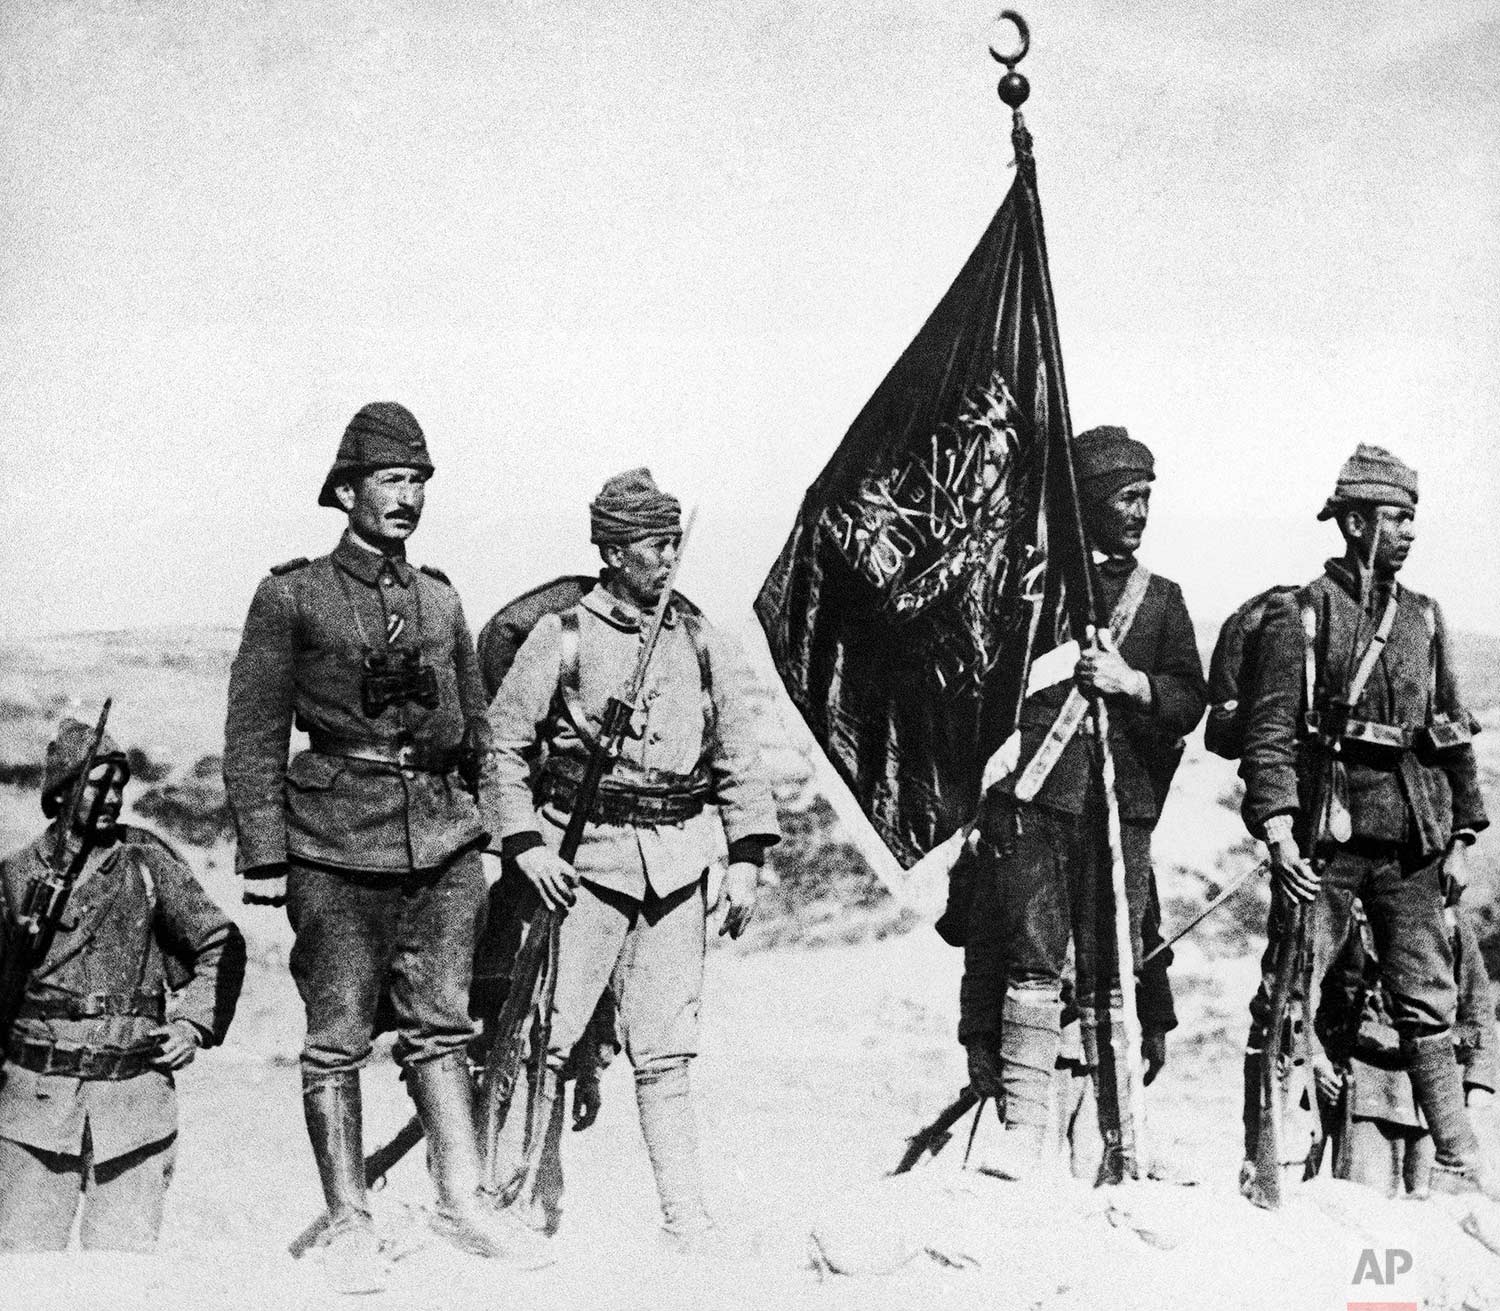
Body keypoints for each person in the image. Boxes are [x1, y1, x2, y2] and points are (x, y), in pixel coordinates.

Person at [223, 401, 548, 1292]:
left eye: (419, 482)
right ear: (346, 490)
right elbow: (254, 731)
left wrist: (494, 834)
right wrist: (265, 855)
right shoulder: (292, 595)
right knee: (336, 1039)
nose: (408, 498)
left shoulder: (440, 597)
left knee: (444, 1027)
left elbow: (478, 729)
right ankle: (350, 1220)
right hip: (331, 845)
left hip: (442, 847)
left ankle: (464, 1200)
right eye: (392, 480)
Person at [487, 467, 780, 1249]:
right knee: (550, 1036)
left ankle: (686, 1217)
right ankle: (524, 1199)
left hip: (680, 865)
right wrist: (526, 845)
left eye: (675, 541)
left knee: (666, 1049)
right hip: (581, 865)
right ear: (614, 551)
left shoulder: (699, 638)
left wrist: (745, 855)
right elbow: (503, 750)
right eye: (656, 544)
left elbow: (736, 755)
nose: (671, 557)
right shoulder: (563, 637)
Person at [1238, 443, 1489, 1197]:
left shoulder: (1426, 618)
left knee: (1427, 997)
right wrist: (1278, 829)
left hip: (1410, 840)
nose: (1409, 532)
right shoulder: (1303, 614)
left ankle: (1459, 1161)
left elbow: (1450, 731)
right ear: (1353, 522)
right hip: (1327, 836)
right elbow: (1270, 734)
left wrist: (1463, 834)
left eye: (1414, 518)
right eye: (1395, 518)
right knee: (1290, 989)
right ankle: (1266, 1157)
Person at [967, 425, 1207, 1183]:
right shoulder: (1035, 593)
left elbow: (1189, 696)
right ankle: (1020, 1140)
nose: (1139, 512)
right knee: (1032, 960)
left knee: (1112, 969)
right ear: (1090, 505)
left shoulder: (1162, 601)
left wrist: (1134, 684)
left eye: (1146, 498)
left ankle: (1117, 1140)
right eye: (1126, 499)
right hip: (1038, 800)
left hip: (1117, 807)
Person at [0, 718, 244, 1251]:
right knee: (23, 1273)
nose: (113, 796)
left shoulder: (147, 862)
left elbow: (220, 942)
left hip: (133, 1108)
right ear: (61, 791)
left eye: (119, 784)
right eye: (96, 783)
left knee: (123, 1276)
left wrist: (193, 1024)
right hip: (32, 1110)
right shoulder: (14, 876)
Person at [1316, 889, 1497, 1198]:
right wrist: (1316, 1056)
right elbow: (1306, 993)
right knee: (1363, 1200)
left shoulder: (1448, 921)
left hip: (1437, 1085)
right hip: (1368, 1081)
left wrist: (1478, 1081)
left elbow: (1478, 1005)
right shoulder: (1347, 915)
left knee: (1437, 1206)